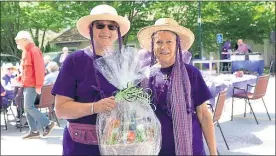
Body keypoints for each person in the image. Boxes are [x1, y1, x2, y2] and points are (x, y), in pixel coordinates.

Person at [51, 4, 130, 155]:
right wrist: (94, 107)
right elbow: (61, 110)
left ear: (117, 32)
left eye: (112, 27)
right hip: (82, 146)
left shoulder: (125, 62)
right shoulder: (74, 61)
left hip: (119, 146)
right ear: (90, 29)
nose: (106, 30)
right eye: (100, 25)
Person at [137, 18, 217, 155]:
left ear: (177, 44)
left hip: (191, 149)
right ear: (152, 45)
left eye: (169, 42)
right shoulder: (145, 76)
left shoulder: (191, 73)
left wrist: (213, 152)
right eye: (159, 42)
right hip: (155, 150)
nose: (164, 47)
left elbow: (204, 115)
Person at [14, 30, 55, 139]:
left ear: (25, 39)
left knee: (28, 107)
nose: (16, 42)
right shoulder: (25, 51)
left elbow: (39, 69)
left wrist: (38, 86)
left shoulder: (34, 50)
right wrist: (19, 79)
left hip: (32, 85)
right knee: (27, 107)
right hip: (27, 84)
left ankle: (47, 123)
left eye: (17, 40)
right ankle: (34, 131)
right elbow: (25, 71)